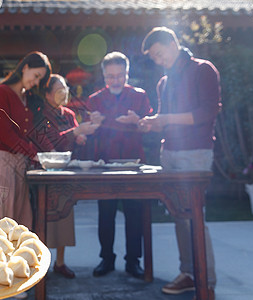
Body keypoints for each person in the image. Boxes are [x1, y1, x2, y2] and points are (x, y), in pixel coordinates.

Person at [138, 27, 220, 300]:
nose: (159, 60)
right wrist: (149, 123)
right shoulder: (164, 81)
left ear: (172, 43)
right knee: (178, 216)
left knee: (194, 217)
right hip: (169, 152)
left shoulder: (202, 69)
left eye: (160, 54)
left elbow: (208, 112)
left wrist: (166, 119)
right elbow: (164, 118)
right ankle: (188, 273)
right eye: (155, 58)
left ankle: (206, 281)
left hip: (195, 152)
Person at [88, 51, 153, 279]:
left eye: (120, 75)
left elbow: (150, 128)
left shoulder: (140, 96)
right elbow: (87, 135)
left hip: (133, 162)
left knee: (134, 213)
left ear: (128, 73)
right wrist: (92, 125)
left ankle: (133, 261)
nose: (115, 81)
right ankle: (106, 258)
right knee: (105, 214)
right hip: (104, 163)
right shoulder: (94, 99)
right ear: (104, 75)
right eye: (110, 76)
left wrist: (139, 121)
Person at [36, 74, 99, 278]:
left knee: (64, 217)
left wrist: (80, 137)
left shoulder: (69, 114)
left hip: (65, 173)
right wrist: (75, 132)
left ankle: (60, 262)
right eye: (58, 89)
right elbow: (49, 142)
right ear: (47, 93)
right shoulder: (40, 114)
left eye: (65, 88)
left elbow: (70, 141)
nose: (64, 93)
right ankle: (39, 262)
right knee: (42, 219)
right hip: (44, 174)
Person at [0, 51, 52, 230]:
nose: (36, 82)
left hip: (20, 161)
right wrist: (33, 153)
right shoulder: (2, 91)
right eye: (36, 76)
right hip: (1, 158)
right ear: (25, 67)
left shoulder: (26, 97)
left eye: (40, 79)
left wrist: (50, 153)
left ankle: (19, 258)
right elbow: (3, 131)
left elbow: (31, 131)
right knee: (2, 216)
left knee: (21, 217)